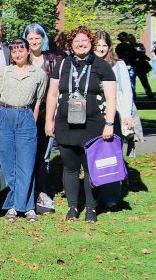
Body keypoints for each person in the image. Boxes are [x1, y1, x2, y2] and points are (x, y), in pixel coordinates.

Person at [45, 27, 117, 222]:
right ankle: (73, 207)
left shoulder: (102, 66)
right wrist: (48, 120)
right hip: (65, 124)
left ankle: (91, 209)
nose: (81, 44)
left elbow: (111, 98)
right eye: (76, 41)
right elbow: (52, 94)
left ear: (91, 42)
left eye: (85, 40)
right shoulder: (62, 64)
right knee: (70, 167)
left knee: (90, 168)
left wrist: (109, 124)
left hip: (93, 124)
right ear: (71, 44)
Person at [0, 38, 48, 222]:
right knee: (8, 163)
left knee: (26, 163)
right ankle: (14, 206)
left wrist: (32, 121)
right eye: (14, 51)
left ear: (28, 51)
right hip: (4, 115)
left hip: (25, 116)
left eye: (21, 50)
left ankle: (28, 206)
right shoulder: (4, 72)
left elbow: (38, 101)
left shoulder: (38, 74)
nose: (18, 54)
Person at [94, 32, 138, 208]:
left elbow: (127, 90)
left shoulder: (118, 65)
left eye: (104, 45)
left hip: (115, 115)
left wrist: (127, 114)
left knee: (113, 154)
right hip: (95, 115)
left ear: (109, 46)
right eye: (97, 45)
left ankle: (112, 195)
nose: (101, 49)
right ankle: (97, 193)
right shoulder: (89, 63)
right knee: (96, 156)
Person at [24, 22, 58, 212]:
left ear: (43, 39)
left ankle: (42, 192)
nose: (34, 41)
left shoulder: (52, 60)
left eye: (38, 38)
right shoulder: (21, 58)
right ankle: (27, 192)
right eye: (30, 38)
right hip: (25, 113)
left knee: (43, 155)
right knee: (27, 154)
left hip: (46, 114)